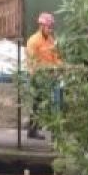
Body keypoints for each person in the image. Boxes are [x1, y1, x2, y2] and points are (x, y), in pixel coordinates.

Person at [25, 11, 62, 139]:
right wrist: (42, 72)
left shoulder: (51, 40)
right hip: (38, 76)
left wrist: (60, 67)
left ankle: (41, 130)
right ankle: (33, 129)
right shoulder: (33, 41)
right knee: (38, 102)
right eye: (48, 27)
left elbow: (56, 57)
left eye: (52, 27)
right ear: (41, 26)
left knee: (50, 102)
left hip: (50, 75)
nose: (50, 29)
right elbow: (32, 62)